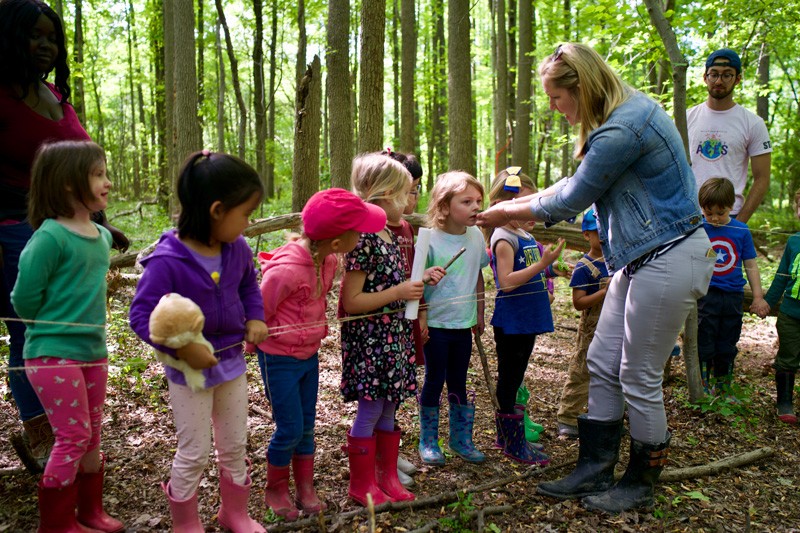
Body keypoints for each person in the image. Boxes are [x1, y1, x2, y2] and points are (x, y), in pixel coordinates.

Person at [477, 43, 715, 514]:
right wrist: (510, 206)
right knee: (604, 362)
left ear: (580, 88)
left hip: (670, 255)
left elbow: (572, 197)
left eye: (556, 98)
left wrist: (506, 208)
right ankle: (595, 466)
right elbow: (570, 183)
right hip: (639, 259)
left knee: (639, 375)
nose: (553, 108)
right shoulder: (617, 121)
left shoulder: (625, 127)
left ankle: (642, 482)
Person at [0, 0, 128, 474]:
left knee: (69, 314)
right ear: (11, 37)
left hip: (69, 222)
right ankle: (44, 431)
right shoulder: (3, 96)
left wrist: (102, 222)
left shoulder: (56, 95)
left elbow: (82, 168)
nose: (45, 45)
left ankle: (71, 438)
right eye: (34, 35)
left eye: (52, 37)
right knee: (27, 325)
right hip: (14, 225)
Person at [129, 151, 268, 532]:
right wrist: (181, 349)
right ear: (217, 210)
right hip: (188, 373)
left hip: (232, 364)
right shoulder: (167, 261)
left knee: (235, 445)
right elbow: (140, 317)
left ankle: (234, 512)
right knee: (194, 452)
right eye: (246, 212)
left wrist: (255, 317)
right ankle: (185, 523)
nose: (249, 221)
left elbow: (248, 286)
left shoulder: (236, 248)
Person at [11, 140, 124, 532]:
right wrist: (50, 325)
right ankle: (56, 523)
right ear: (66, 184)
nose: (107, 182)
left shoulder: (102, 236)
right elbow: (23, 299)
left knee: (91, 433)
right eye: (97, 174)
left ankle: (89, 510)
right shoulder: (49, 238)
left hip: (93, 350)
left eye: (105, 173)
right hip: (51, 354)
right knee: (73, 434)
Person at [254, 188, 386, 520]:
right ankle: (276, 489)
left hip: (307, 356)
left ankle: (305, 486)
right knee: (289, 428)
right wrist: (252, 340)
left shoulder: (328, 259)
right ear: (339, 241)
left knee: (307, 426)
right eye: (358, 231)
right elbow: (259, 311)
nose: (363, 235)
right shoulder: (286, 270)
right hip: (279, 358)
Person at [339, 153, 443, 506]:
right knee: (370, 409)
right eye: (403, 195)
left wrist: (419, 281)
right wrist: (399, 293)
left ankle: (385, 477)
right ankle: (361, 482)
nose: (409, 202)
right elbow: (351, 301)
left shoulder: (389, 234)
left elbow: (394, 283)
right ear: (381, 195)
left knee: (389, 407)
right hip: (371, 342)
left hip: (394, 339)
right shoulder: (363, 237)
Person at [485, 166, 564, 465]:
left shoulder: (523, 233)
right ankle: (512, 443)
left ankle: (508, 437)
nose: (533, 211)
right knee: (509, 379)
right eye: (526, 205)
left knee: (516, 378)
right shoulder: (504, 238)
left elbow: (533, 271)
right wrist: (542, 262)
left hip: (528, 318)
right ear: (504, 208)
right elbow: (506, 282)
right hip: (513, 321)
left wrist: (552, 268)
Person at [419, 171, 489, 466]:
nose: (476, 207)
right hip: (436, 325)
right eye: (467, 201)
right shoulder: (429, 240)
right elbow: (416, 286)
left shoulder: (476, 236)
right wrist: (421, 317)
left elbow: (478, 277)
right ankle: (428, 441)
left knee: (459, 382)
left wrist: (480, 313)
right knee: (434, 380)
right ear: (444, 207)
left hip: (463, 325)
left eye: (478, 201)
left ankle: (461, 439)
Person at [697, 177, 770, 394]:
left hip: (733, 295)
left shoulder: (741, 230)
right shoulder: (699, 228)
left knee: (728, 340)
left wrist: (757, 297)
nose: (714, 219)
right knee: (705, 338)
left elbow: (751, 264)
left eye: (720, 213)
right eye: (709, 213)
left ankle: (723, 385)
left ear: (731, 206)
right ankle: (703, 384)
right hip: (705, 294)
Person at [687, 48, 772, 224]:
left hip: (730, 215)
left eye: (727, 75)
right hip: (688, 215)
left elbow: (762, 178)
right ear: (705, 77)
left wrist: (740, 223)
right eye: (714, 74)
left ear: (738, 79)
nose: (719, 80)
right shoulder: (685, 118)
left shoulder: (753, 123)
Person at [383, 149, 426, 488]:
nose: (415, 197)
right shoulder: (377, 230)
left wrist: (421, 316)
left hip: (406, 319)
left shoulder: (409, 230)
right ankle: (380, 456)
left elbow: (416, 274)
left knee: (397, 386)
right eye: (412, 188)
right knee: (380, 389)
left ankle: (389, 446)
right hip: (382, 321)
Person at [555, 209, 609, 439]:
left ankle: (605, 416)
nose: (604, 238)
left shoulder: (617, 262)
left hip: (616, 325)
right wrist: (605, 291)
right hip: (593, 326)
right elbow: (579, 303)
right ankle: (567, 416)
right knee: (582, 370)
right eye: (599, 233)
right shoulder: (584, 267)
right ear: (587, 235)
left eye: (607, 233)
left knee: (612, 371)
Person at [764, 188, 800, 425]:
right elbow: (782, 276)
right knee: (788, 356)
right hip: (791, 313)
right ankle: (785, 403)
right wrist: (766, 302)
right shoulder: (794, 241)